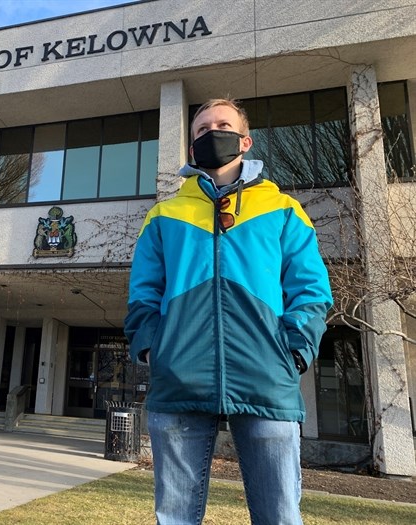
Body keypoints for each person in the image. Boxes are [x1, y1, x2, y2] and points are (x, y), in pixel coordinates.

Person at [124, 99, 333, 525]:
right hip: (179, 376)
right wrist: (152, 350)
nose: (211, 132)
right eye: (202, 128)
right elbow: (143, 296)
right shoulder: (163, 216)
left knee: (280, 515)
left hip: (267, 378)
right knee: (176, 517)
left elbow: (311, 291)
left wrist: (293, 353)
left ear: (245, 140)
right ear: (191, 147)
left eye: (223, 124)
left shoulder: (284, 210)